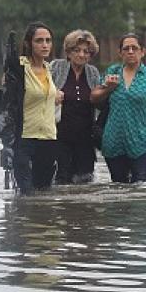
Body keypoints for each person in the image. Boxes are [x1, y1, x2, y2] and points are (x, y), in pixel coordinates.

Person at [90, 33, 146, 183]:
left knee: (140, 189)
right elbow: (93, 97)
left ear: (142, 52)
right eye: (126, 48)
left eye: (134, 48)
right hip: (113, 141)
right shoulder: (112, 72)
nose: (130, 51)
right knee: (118, 188)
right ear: (120, 53)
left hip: (142, 141)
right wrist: (108, 88)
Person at [13, 22, 59, 195]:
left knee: (44, 193)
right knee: (27, 194)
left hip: (48, 137)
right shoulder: (19, 68)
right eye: (39, 40)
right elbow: (9, 95)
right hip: (24, 137)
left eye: (48, 40)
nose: (45, 44)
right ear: (28, 43)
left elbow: (45, 94)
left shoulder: (49, 68)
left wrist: (56, 95)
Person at [50, 30, 102, 184]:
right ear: (68, 52)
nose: (81, 55)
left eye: (86, 51)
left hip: (85, 139)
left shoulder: (93, 72)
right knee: (61, 182)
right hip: (60, 137)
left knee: (84, 183)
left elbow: (98, 100)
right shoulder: (56, 67)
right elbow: (42, 88)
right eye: (77, 50)